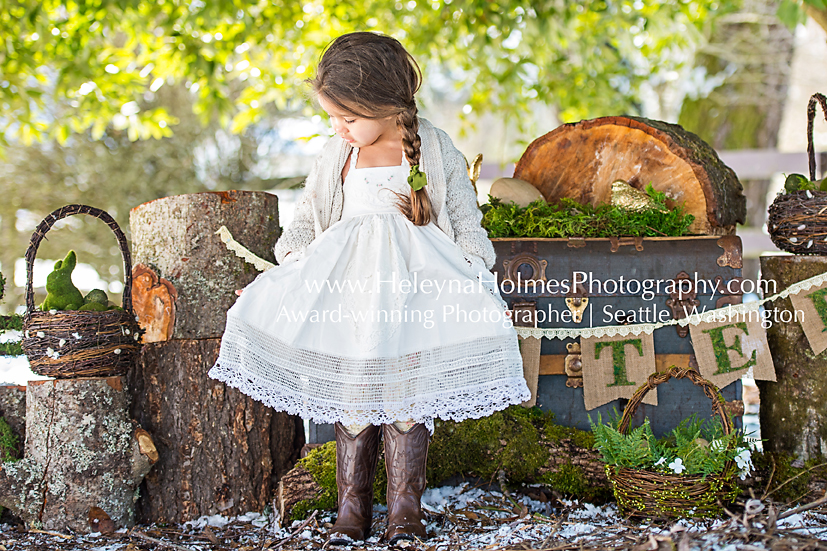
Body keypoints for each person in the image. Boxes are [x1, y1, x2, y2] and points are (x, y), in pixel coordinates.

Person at [209, 31, 530, 546]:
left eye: (349, 118)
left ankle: (405, 508)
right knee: (356, 398)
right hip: (350, 295)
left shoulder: (434, 147)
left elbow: (466, 223)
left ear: (385, 104)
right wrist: (286, 276)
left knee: (406, 396)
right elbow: (306, 224)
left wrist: (474, 274)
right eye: (332, 118)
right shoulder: (337, 155)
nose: (339, 128)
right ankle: (351, 508)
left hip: (415, 292)